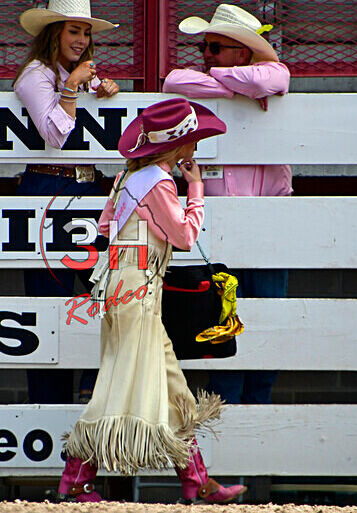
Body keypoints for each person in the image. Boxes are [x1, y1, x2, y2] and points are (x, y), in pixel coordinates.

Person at [54, 98, 247, 504]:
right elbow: (185, 236)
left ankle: (198, 480)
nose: (195, 148)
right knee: (116, 382)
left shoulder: (130, 177)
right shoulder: (159, 183)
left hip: (126, 283)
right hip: (139, 286)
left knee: (172, 383)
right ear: (178, 147)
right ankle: (77, 477)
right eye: (192, 140)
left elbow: (106, 226)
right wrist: (195, 188)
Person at [163, 3, 292, 405]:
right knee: (221, 329)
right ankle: (230, 424)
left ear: (242, 52)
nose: (205, 56)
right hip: (217, 237)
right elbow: (172, 82)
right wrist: (239, 87)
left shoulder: (265, 76)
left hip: (268, 232)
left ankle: (258, 421)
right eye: (206, 48)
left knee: (267, 326)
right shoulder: (214, 80)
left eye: (216, 48)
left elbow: (276, 75)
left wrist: (229, 83)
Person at [14, 0, 119, 404]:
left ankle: (96, 400)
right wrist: (75, 86)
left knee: (108, 292)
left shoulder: (75, 74)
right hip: (48, 187)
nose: (81, 40)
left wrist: (102, 93)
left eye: (85, 33)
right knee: (50, 301)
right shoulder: (35, 75)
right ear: (54, 32)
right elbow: (56, 134)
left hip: (90, 187)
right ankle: (48, 410)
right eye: (73, 31)